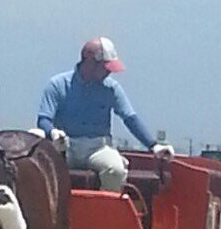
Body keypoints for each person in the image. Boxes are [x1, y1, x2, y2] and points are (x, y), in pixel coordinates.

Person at [37, 37, 174, 192]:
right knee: (39, 169)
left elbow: (129, 118)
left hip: (97, 148)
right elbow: (44, 119)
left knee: (115, 170)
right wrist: (53, 132)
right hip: (64, 147)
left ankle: (105, 213)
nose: (109, 72)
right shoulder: (58, 84)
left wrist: (153, 145)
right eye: (105, 67)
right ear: (89, 61)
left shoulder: (111, 88)